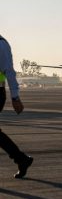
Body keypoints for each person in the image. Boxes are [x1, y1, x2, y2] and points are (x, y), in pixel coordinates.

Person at [0, 35, 33, 178]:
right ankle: (21, 159)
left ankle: (21, 159)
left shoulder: (1, 44)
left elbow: (9, 72)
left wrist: (15, 97)